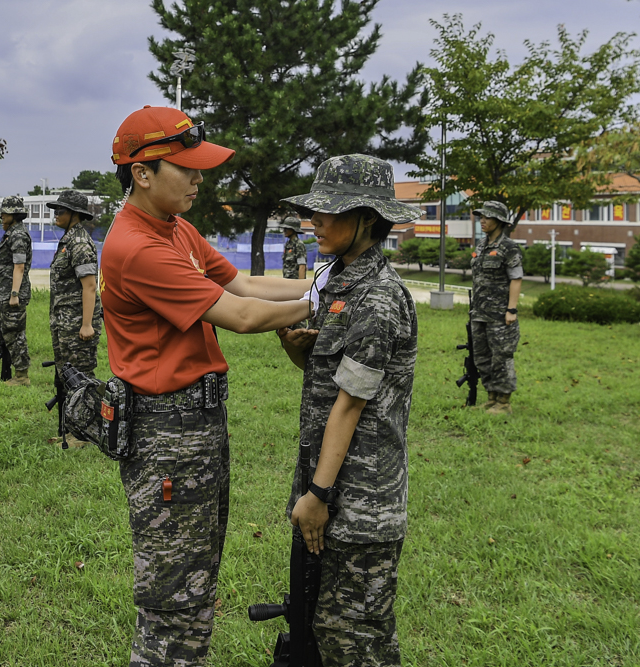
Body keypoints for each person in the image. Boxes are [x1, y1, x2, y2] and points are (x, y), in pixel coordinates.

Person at [101, 105, 312, 667]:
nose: (199, 177)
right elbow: (240, 315)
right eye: (186, 167)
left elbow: (243, 282)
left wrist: (320, 281)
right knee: (174, 604)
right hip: (166, 436)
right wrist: (326, 303)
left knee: (194, 585)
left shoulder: (175, 228)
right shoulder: (137, 247)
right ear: (142, 172)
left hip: (196, 428)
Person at [277, 153, 418, 667]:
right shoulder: (338, 280)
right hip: (331, 486)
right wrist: (299, 350)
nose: (316, 220)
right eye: (316, 210)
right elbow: (331, 384)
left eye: (330, 211)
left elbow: (353, 404)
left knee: (355, 640)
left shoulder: (378, 298)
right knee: (321, 631)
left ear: (368, 220)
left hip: (359, 502)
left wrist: (317, 494)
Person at [47, 190, 105, 440]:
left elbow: (90, 286)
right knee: (66, 376)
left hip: (78, 326)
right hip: (64, 324)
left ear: (74, 215)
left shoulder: (80, 243)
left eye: (60, 210)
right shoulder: (68, 241)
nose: (56, 214)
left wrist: (87, 324)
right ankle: (71, 430)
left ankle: (84, 435)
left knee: (81, 379)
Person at [470, 200, 523, 414]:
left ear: (499, 221)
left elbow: (516, 278)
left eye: (487, 217)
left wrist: (511, 310)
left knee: (501, 357)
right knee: (482, 357)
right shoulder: (481, 245)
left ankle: (504, 402)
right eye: (481, 216)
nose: (482, 220)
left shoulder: (509, 247)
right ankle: (491, 397)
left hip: (500, 314)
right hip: (480, 312)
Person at [0, 195, 32, 386]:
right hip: (6, 292)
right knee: (9, 332)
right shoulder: (11, 233)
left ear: (14, 214)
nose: (1, 216)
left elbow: (19, 266)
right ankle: (19, 374)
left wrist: (14, 294)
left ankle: (22, 376)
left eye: (5, 212)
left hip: (13, 295)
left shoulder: (17, 235)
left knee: (15, 333)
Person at [280, 215, 307, 279]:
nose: (284, 230)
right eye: (284, 228)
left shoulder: (298, 244)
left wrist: (300, 285)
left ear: (294, 229)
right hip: (287, 281)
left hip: (295, 282)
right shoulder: (288, 244)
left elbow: (302, 266)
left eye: (287, 228)